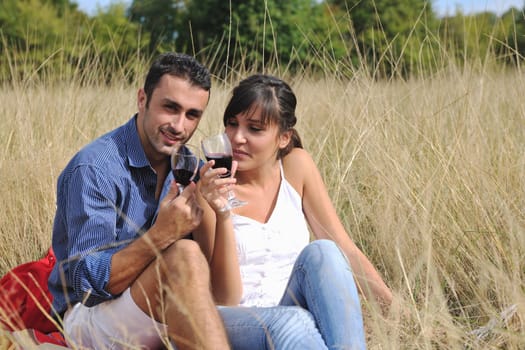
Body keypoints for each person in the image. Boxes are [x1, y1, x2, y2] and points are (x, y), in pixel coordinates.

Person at [48, 53, 333, 350]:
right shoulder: (95, 168)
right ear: (143, 99)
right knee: (184, 254)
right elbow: (86, 285)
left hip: (159, 310)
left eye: (192, 114)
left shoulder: (190, 167)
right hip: (91, 318)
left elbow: (218, 288)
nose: (179, 125)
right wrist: (162, 234)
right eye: (170, 108)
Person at [194, 74, 394, 349]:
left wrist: (397, 311)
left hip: (293, 312)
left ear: (283, 137)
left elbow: (343, 248)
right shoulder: (209, 189)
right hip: (235, 322)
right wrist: (224, 212)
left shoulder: (297, 167)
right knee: (294, 321)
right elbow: (224, 297)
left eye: (254, 129)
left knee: (324, 251)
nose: (237, 138)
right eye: (232, 124)